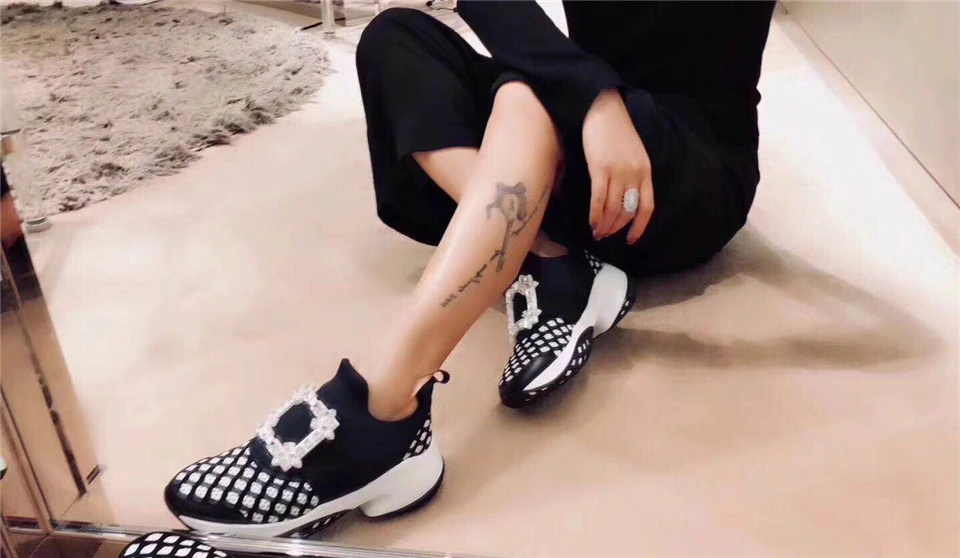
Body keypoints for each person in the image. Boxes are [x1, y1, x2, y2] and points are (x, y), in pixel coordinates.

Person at [164, 1, 776, 538]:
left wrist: (585, 97)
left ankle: (383, 407)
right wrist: (595, 98)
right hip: (577, 139)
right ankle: (550, 258)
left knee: (527, 93)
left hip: (680, 171)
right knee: (397, 38)